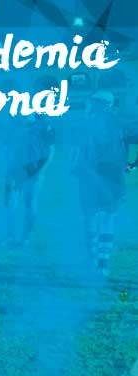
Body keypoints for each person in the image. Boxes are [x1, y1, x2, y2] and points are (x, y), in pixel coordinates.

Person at [72, 90, 128, 276]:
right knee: (104, 217)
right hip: (109, 176)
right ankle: (100, 261)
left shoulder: (91, 123)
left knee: (94, 217)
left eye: (95, 102)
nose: (91, 105)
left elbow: (81, 150)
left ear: (104, 105)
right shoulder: (118, 123)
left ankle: (95, 259)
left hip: (99, 175)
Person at [1, 114, 55, 247]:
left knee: (29, 203)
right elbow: (6, 146)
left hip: (34, 170)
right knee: (9, 202)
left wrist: (41, 170)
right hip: (14, 169)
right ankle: (10, 236)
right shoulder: (12, 123)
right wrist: (8, 166)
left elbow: (51, 150)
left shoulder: (44, 126)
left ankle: (25, 238)